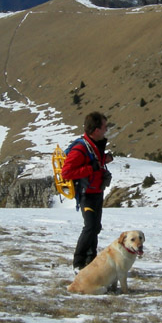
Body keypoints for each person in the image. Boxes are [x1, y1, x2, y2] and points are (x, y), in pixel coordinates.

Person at [61, 111, 114, 273]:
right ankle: (79, 263)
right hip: (86, 194)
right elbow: (66, 173)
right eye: (104, 127)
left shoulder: (92, 145)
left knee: (95, 227)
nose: (106, 130)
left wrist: (105, 159)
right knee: (90, 227)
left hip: (96, 191)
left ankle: (91, 261)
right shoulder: (80, 148)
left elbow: (94, 161)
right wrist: (93, 168)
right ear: (96, 129)